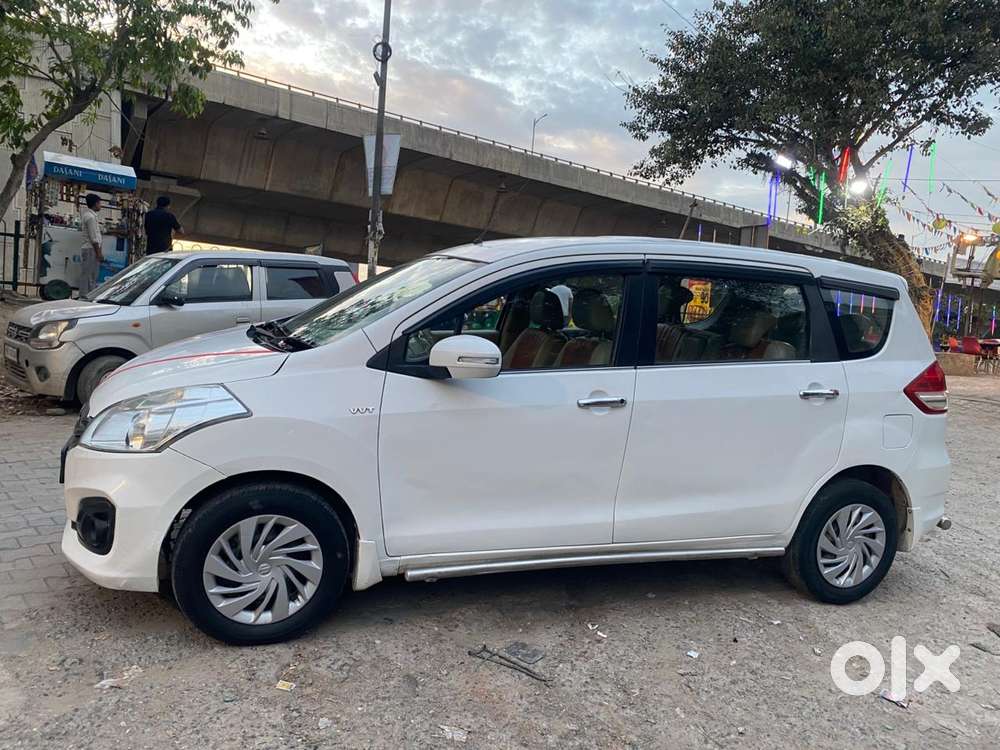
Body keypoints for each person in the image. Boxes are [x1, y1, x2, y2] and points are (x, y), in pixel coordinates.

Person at [79, 193, 103, 296]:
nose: (100, 205)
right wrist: (99, 253)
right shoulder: (90, 218)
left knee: (91, 274)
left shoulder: (90, 216)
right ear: (95, 204)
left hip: (91, 249)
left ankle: (88, 294)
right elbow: (94, 238)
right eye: (99, 203)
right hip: (91, 249)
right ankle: (85, 295)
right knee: (89, 275)